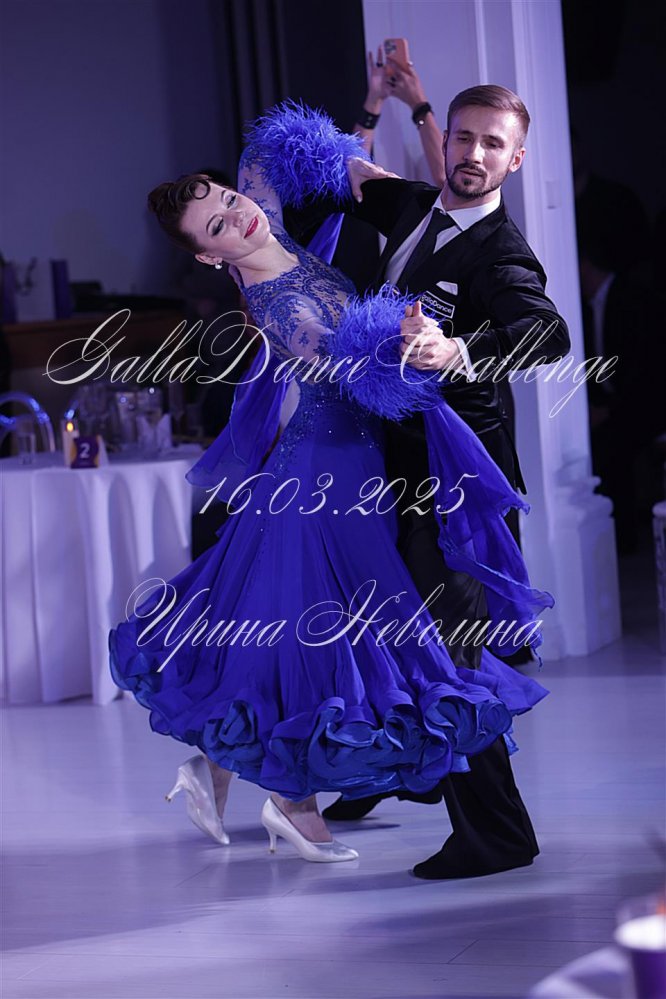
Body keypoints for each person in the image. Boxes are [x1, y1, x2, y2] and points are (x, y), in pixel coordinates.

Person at [108, 102, 550, 870]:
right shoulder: (273, 300)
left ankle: (241, 780)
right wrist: (411, 344)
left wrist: (353, 134)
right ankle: (290, 797)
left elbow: (267, 154)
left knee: (307, 629)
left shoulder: (269, 228)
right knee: (334, 632)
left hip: (355, 462)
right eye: (218, 226)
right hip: (329, 474)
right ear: (209, 258)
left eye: (229, 200)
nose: (238, 216)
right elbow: (349, 363)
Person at [321, 85, 570, 880]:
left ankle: (498, 834)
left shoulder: (500, 252)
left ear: (516, 159)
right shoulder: (411, 205)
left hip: (459, 486)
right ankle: (395, 770)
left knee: (456, 651)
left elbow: (547, 332)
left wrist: (458, 350)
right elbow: (341, 172)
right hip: (389, 465)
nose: (474, 154)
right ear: (446, 140)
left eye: (493, 144)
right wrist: (371, 105)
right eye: (464, 137)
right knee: (386, 629)